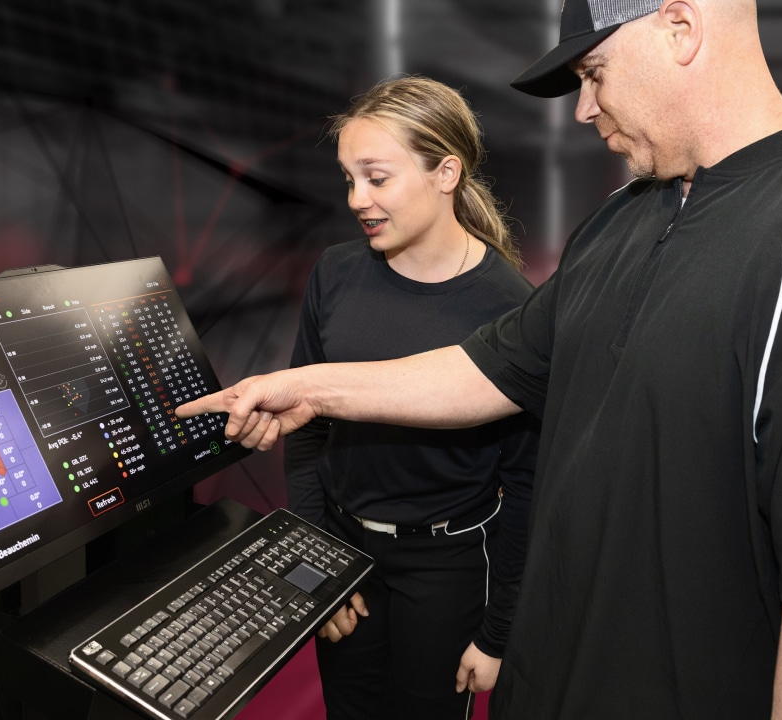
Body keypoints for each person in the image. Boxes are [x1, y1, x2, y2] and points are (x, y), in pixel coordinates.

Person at [179, 1, 782, 718]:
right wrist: (306, 388)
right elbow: (486, 370)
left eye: (594, 73)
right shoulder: (627, 215)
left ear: (680, 29)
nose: (586, 108)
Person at [284, 76, 539, 719]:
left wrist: (497, 629)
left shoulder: (510, 307)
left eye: (376, 177)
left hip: (450, 567)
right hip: (346, 554)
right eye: (348, 179)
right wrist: (319, 570)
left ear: (446, 172)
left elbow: (530, 483)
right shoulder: (335, 273)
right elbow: (306, 429)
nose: (356, 199)